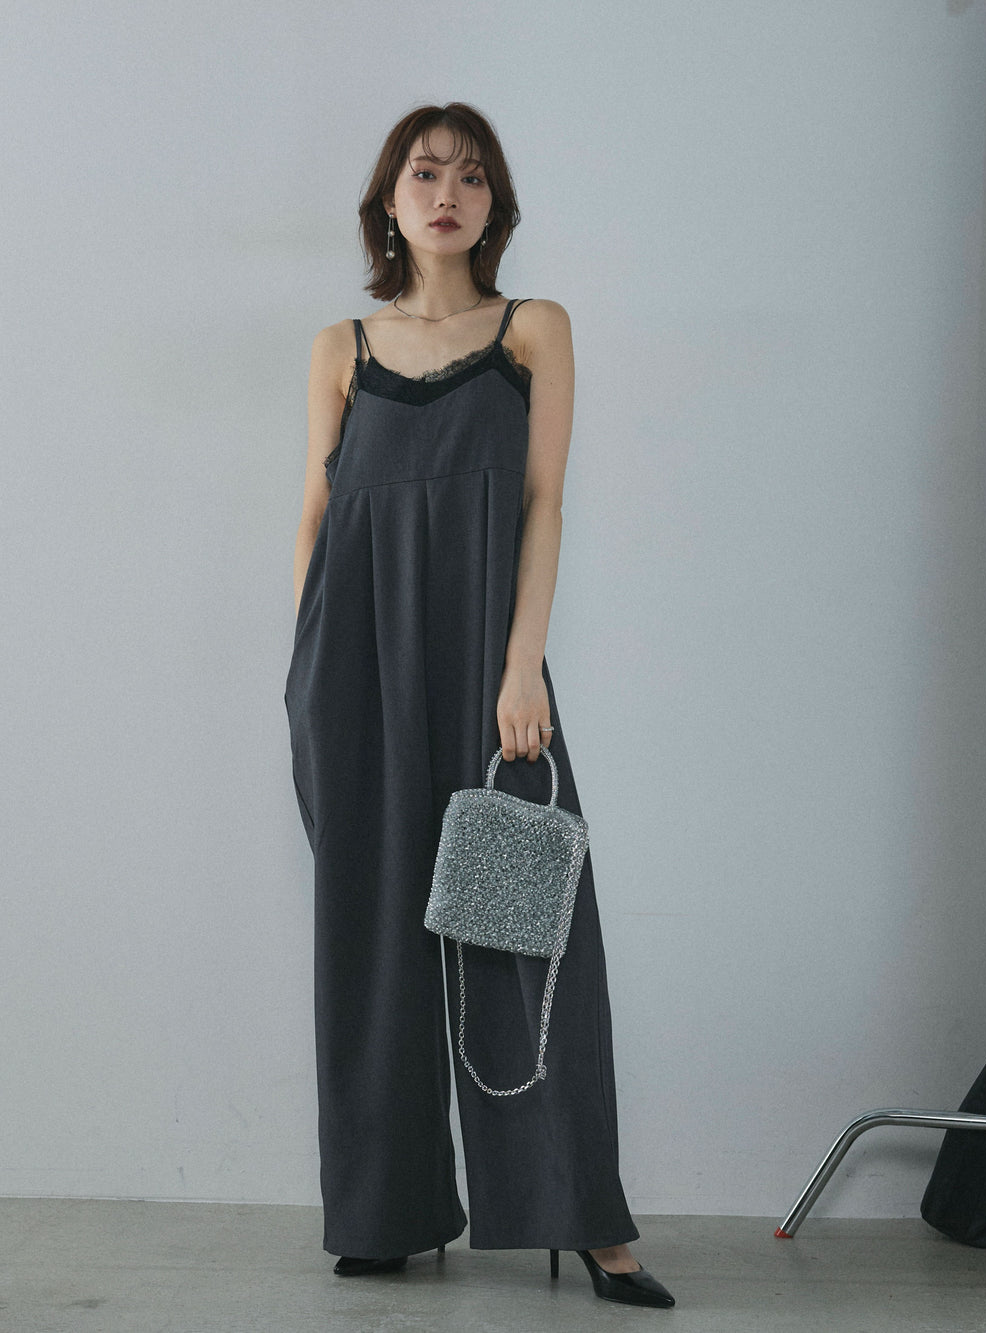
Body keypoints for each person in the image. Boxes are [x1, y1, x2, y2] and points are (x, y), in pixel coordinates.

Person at [283, 101, 674, 1311]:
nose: (445, 192)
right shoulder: (341, 347)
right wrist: (309, 671)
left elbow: (545, 500)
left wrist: (522, 665)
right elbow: (317, 513)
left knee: (523, 931)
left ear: (494, 205)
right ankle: (384, 1208)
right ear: (388, 203)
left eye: (469, 176)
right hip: (352, 671)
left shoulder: (532, 331)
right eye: (422, 173)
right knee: (371, 936)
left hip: (484, 667)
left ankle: (581, 1213)